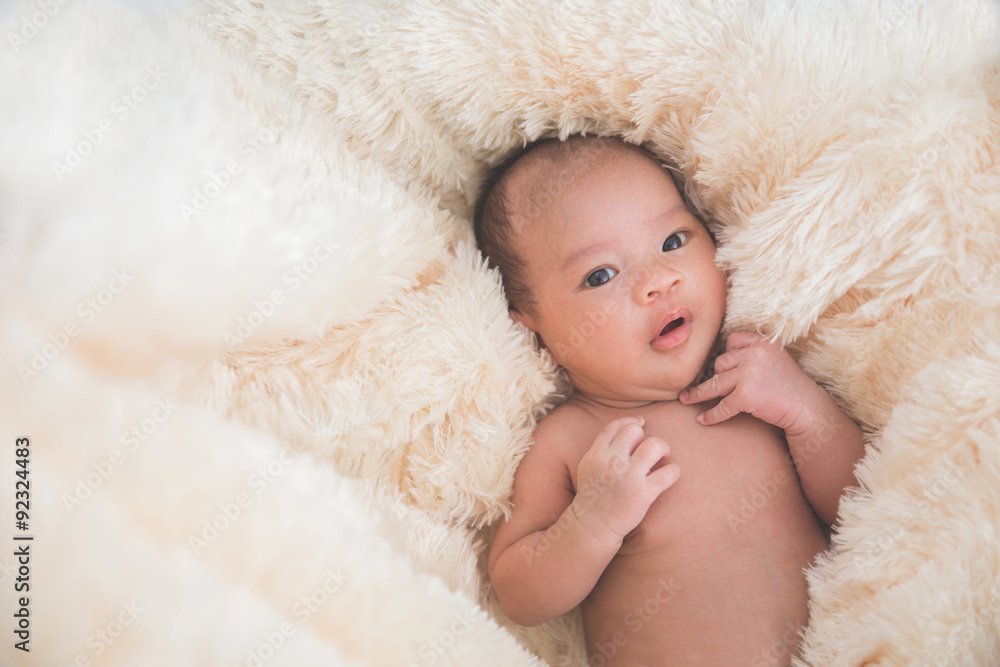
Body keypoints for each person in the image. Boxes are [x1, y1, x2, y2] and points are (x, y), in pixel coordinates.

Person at [476, 135, 866, 666]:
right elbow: (519, 594)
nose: (658, 281)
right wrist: (591, 521)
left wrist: (805, 411)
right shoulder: (572, 438)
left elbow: (863, 502)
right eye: (601, 275)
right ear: (538, 337)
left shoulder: (754, 386)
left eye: (673, 240)